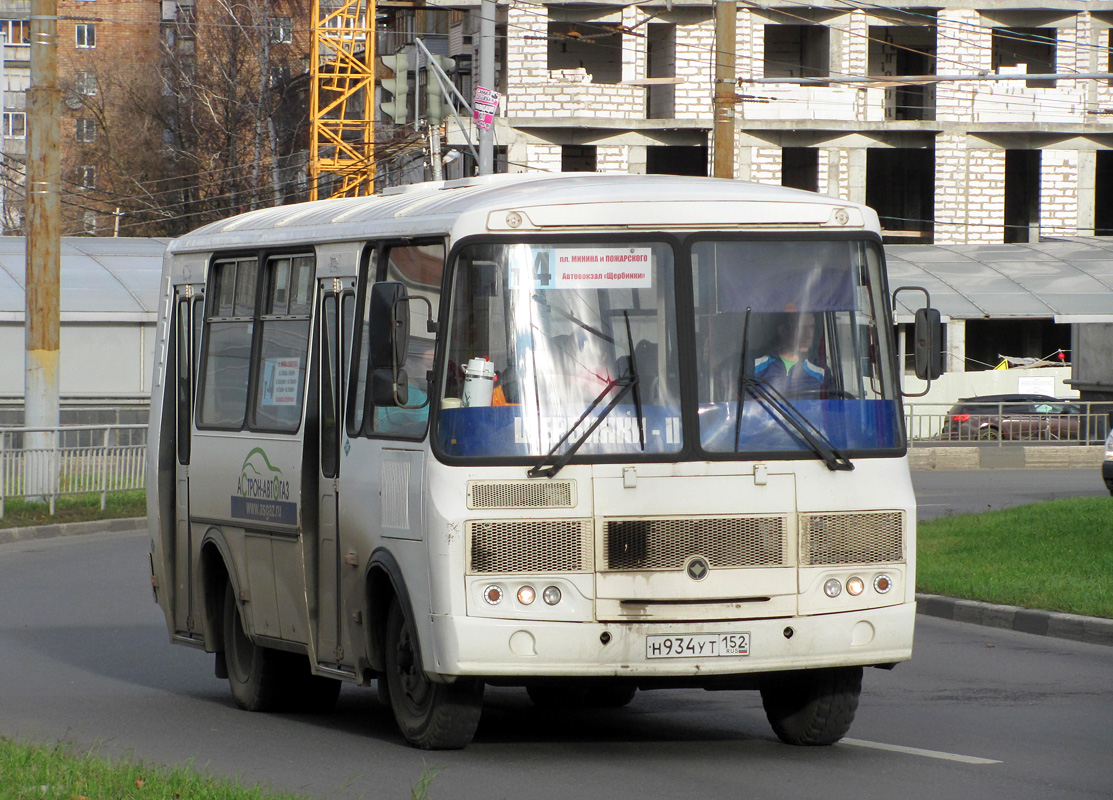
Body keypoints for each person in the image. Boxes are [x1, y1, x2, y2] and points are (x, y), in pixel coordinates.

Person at [753, 312, 828, 395]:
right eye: (801, 327)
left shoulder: (821, 370)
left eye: (811, 327)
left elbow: (835, 404)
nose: (808, 335)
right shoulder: (755, 365)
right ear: (782, 331)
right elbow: (745, 403)